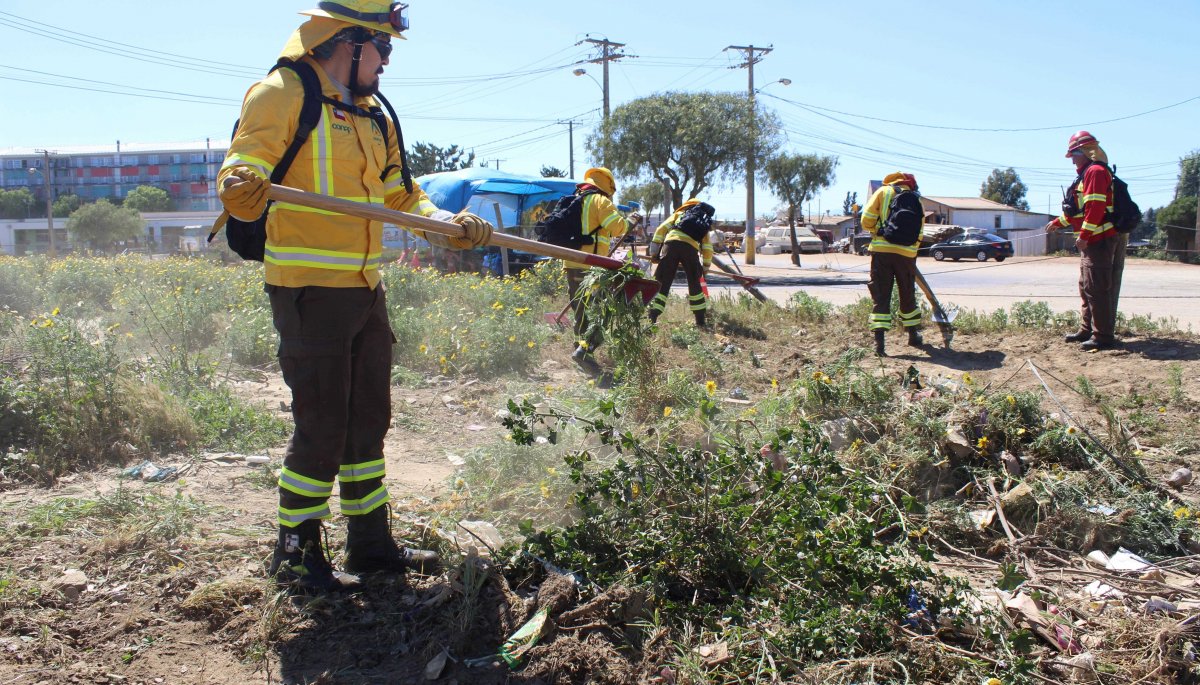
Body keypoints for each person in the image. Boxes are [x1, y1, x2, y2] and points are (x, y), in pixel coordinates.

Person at [217, 0, 493, 593]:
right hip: (310, 291)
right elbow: (242, 168)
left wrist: (452, 224)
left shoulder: (374, 116)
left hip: (366, 289)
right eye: (384, 49)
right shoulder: (281, 93)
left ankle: (370, 545)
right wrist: (241, 186)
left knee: (368, 421)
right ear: (350, 41)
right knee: (322, 425)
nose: (388, 64)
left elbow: (401, 197)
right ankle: (295, 550)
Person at [1044, 131, 1123, 351]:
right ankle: (1086, 330)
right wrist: (1058, 223)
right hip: (1092, 241)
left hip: (1099, 240)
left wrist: (1084, 235)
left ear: (1085, 152)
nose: (1072, 160)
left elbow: (1096, 208)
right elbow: (1078, 210)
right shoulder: (1086, 174)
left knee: (1096, 288)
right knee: (1086, 287)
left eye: (1074, 155)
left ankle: (1103, 336)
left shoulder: (1095, 172)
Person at [562, 167, 629, 376]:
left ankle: (580, 353)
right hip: (591, 268)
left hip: (571, 264)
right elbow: (618, 228)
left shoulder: (574, 200)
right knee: (605, 311)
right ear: (608, 185)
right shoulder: (599, 201)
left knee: (581, 312)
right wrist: (627, 220)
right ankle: (585, 351)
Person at [861, 172, 924, 356]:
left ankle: (879, 346)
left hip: (882, 253)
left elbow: (866, 220)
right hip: (907, 254)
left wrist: (879, 231)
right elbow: (920, 232)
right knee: (907, 293)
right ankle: (913, 336)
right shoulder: (916, 200)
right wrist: (911, 251)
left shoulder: (883, 192)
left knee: (881, 295)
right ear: (911, 185)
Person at [647, 198, 714, 327]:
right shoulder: (702, 222)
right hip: (690, 250)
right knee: (695, 284)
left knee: (661, 281)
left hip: (671, 246)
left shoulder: (678, 215)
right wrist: (704, 269)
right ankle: (700, 321)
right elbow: (707, 249)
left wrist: (654, 254)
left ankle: (652, 317)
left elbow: (660, 230)